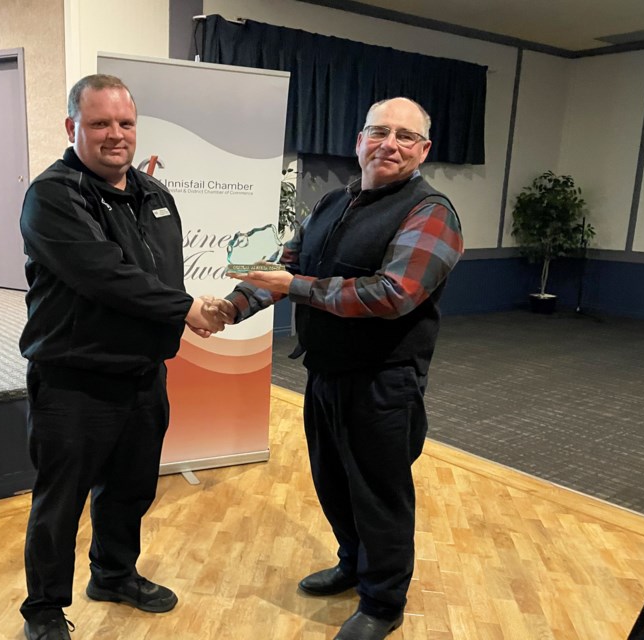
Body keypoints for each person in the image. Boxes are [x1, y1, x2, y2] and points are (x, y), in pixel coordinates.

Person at [211, 97, 464, 640]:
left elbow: (394, 294)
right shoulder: (333, 201)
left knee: (379, 494)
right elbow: (286, 263)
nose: (389, 144)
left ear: (423, 150)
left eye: (404, 136)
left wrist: (295, 289)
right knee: (334, 484)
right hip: (326, 374)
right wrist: (232, 307)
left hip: (385, 382)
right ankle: (353, 564)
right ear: (359, 141)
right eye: (379, 131)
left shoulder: (431, 211)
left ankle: (382, 602)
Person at [18, 74, 224, 640]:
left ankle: (113, 574)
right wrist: (186, 309)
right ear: (72, 128)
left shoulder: (156, 197)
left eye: (125, 123)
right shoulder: (53, 196)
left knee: (131, 489)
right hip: (73, 380)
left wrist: (178, 315)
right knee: (60, 503)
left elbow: (157, 277)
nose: (115, 135)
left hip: (142, 376)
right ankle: (43, 611)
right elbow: (105, 275)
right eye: (100, 123)